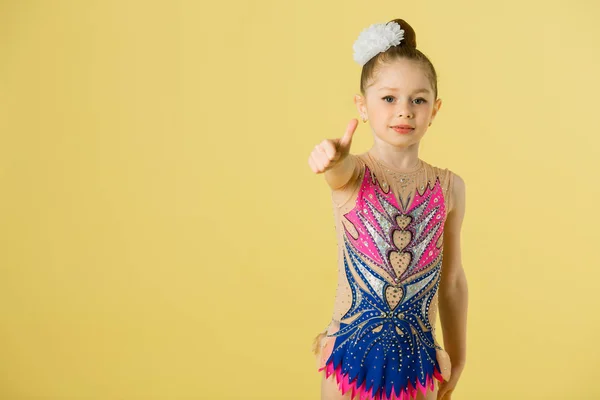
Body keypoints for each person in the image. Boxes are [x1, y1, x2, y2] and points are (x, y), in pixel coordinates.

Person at [308, 19, 468, 400]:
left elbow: (453, 281)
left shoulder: (450, 187)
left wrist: (458, 358)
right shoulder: (354, 174)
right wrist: (332, 157)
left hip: (418, 368)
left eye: (418, 99)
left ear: (435, 109)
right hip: (350, 363)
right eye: (389, 98)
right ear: (362, 107)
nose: (405, 111)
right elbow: (337, 173)